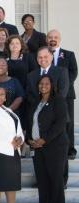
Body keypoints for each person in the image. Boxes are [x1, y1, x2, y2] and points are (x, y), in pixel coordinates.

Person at [26, 75, 68, 203]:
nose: (43, 86)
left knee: (55, 181)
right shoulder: (35, 103)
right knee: (43, 181)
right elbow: (30, 124)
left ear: (52, 85)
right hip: (37, 149)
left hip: (55, 147)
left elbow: (61, 123)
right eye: (41, 83)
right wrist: (29, 140)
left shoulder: (58, 101)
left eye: (46, 83)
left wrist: (44, 140)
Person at [47, 29, 78, 161]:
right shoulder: (43, 54)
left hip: (66, 95)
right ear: (46, 39)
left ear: (59, 39)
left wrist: (62, 87)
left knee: (67, 122)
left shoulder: (69, 55)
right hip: (47, 94)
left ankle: (70, 149)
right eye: (50, 37)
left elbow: (73, 72)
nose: (52, 39)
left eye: (55, 37)